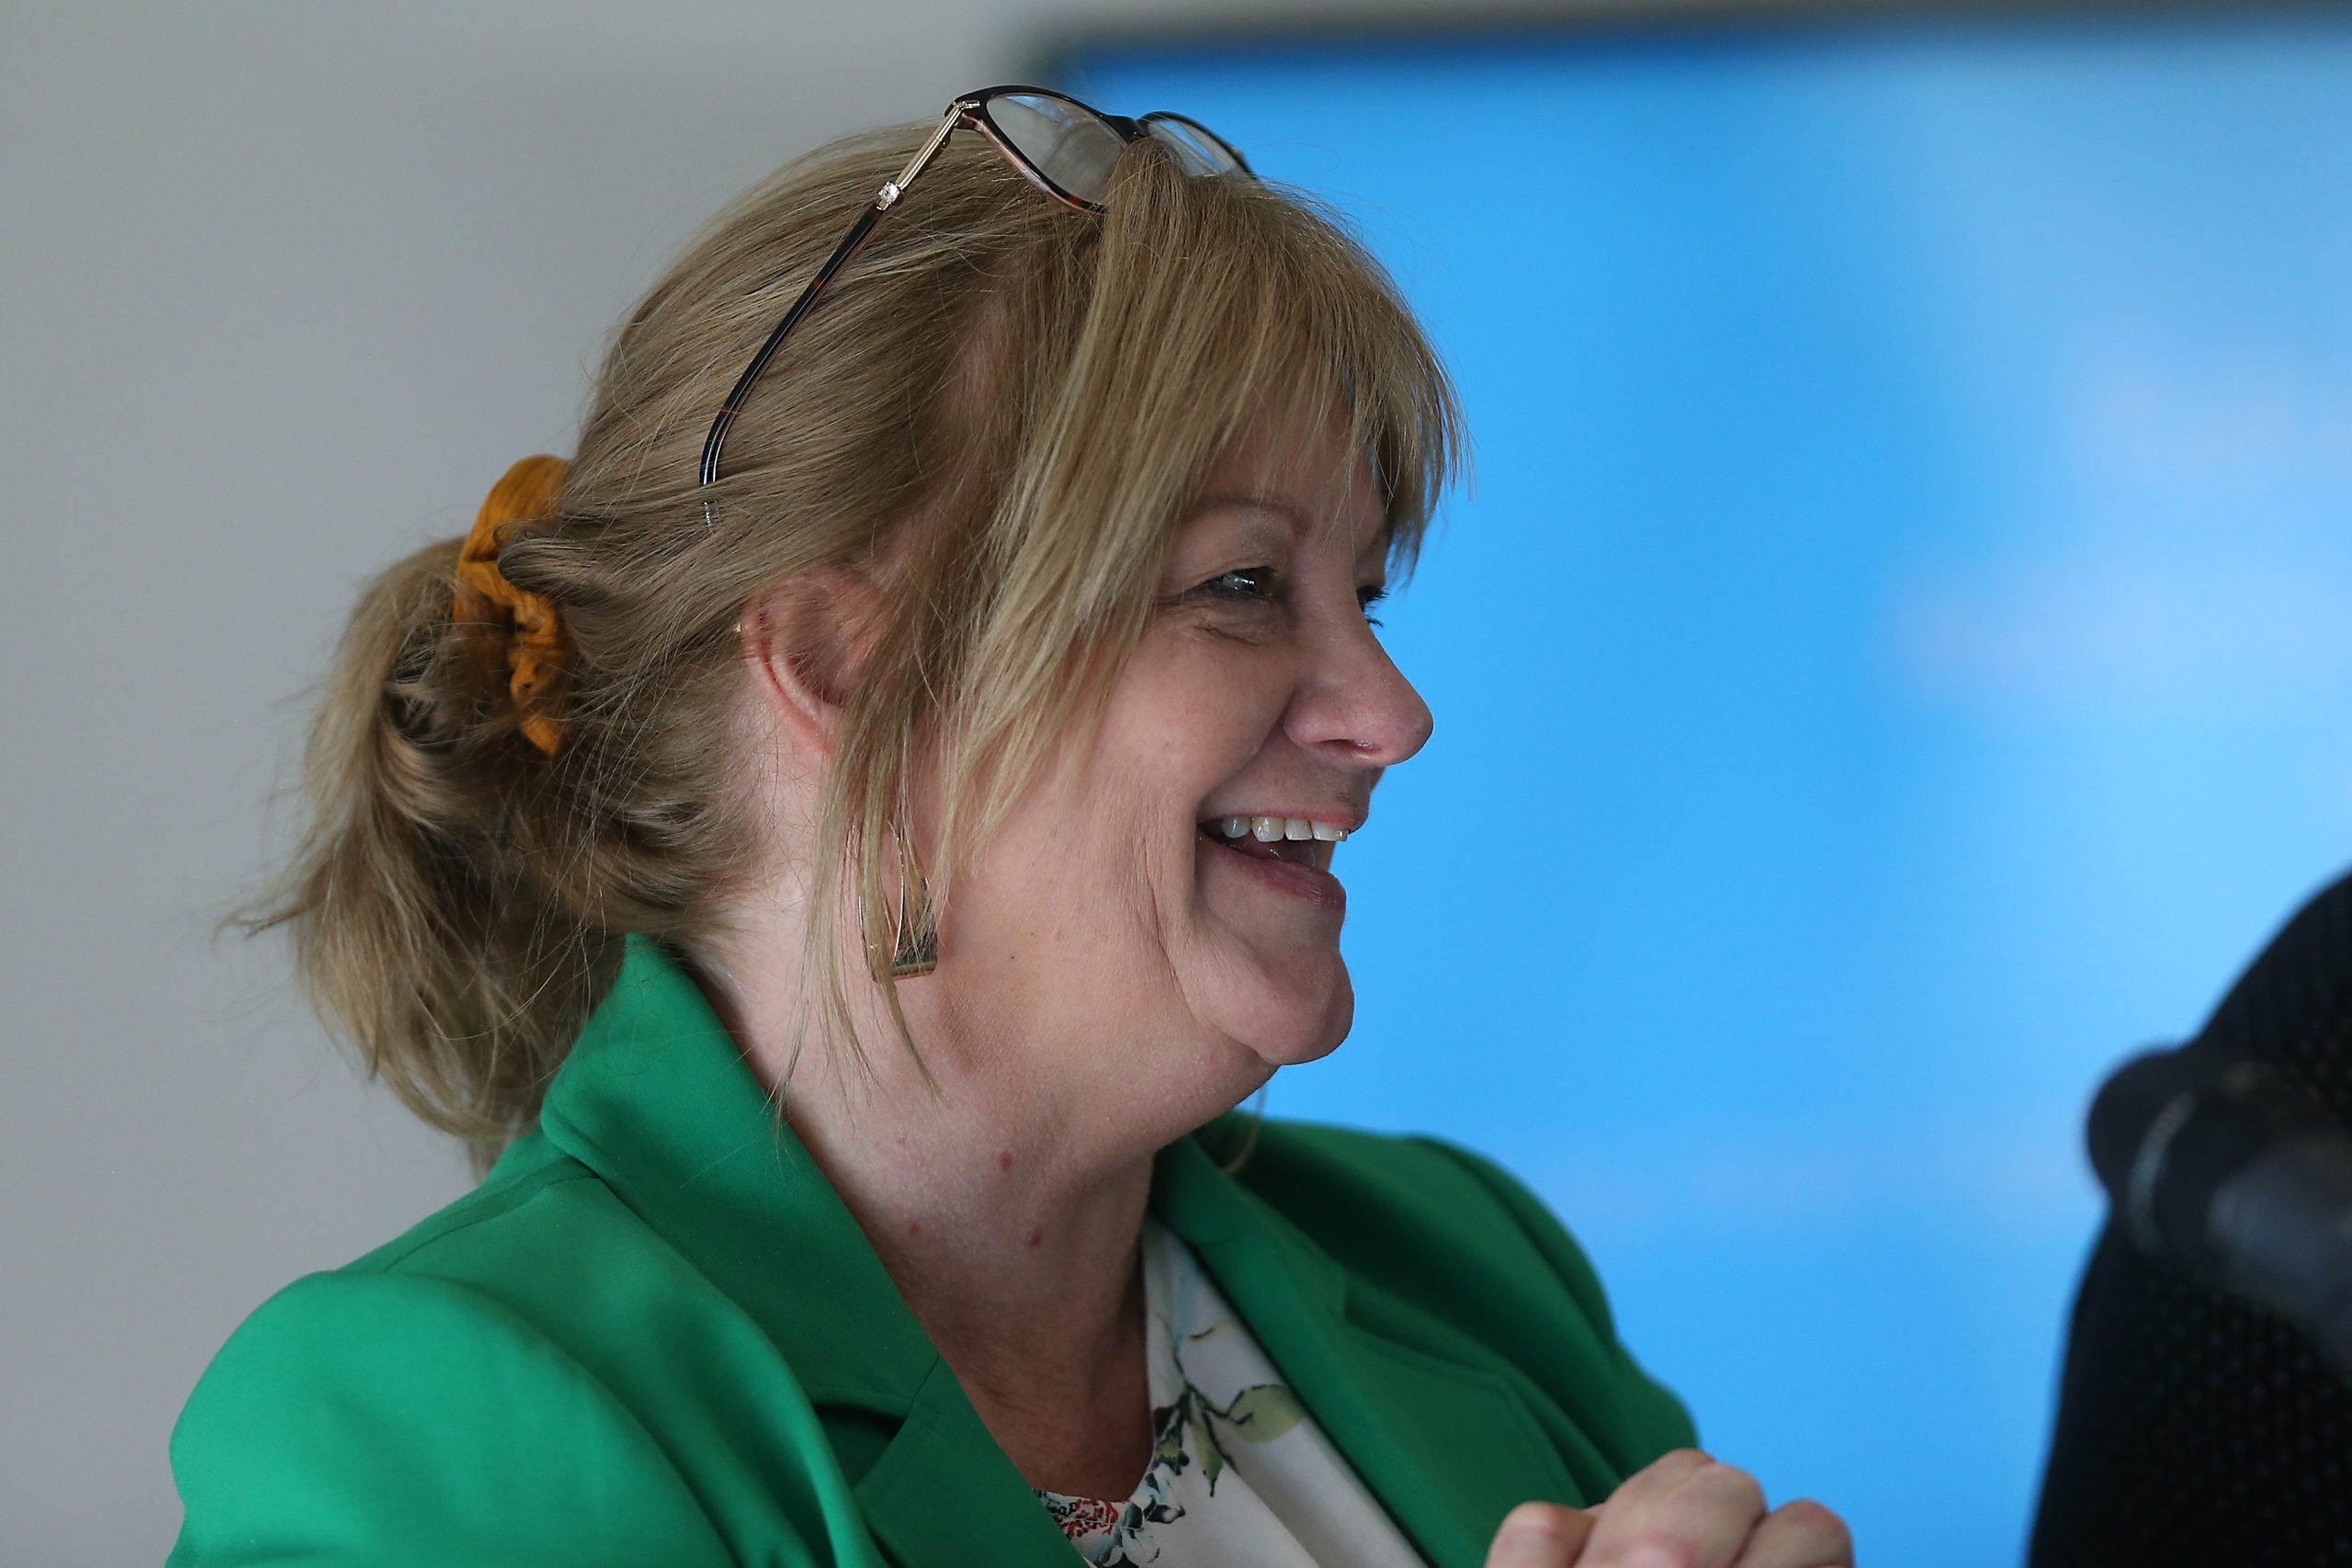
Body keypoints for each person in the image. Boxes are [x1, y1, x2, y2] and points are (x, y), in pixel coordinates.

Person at [164, 88, 1854, 1568]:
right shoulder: (443, 1426)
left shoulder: (1464, 1265)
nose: (1391, 717)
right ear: (843, 669)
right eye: (1242, 585)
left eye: (1368, 595)